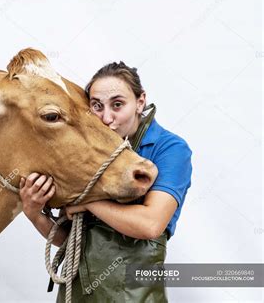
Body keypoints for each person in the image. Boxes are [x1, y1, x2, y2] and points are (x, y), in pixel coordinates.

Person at [19, 62, 193, 302]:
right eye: (97, 106)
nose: (107, 117)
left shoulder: (170, 149)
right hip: (77, 294)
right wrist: (33, 212)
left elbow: (151, 225)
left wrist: (89, 202)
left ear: (140, 102)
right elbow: (68, 241)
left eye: (118, 105)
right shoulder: (85, 152)